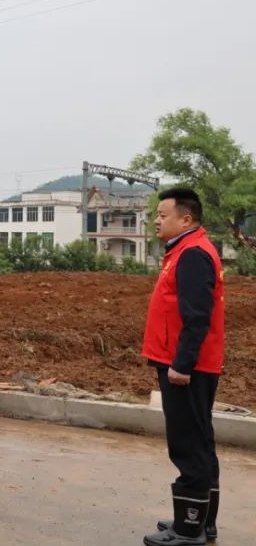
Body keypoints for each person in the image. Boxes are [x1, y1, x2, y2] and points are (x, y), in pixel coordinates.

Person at [144, 189, 225, 546]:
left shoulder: (192, 254)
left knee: (188, 445)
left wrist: (181, 364)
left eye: (163, 215)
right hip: (189, 363)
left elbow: (197, 317)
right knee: (199, 441)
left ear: (186, 219)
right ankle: (201, 520)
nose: (156, 221)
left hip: (186, 367)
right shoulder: (186, 250)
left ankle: (189, 529)